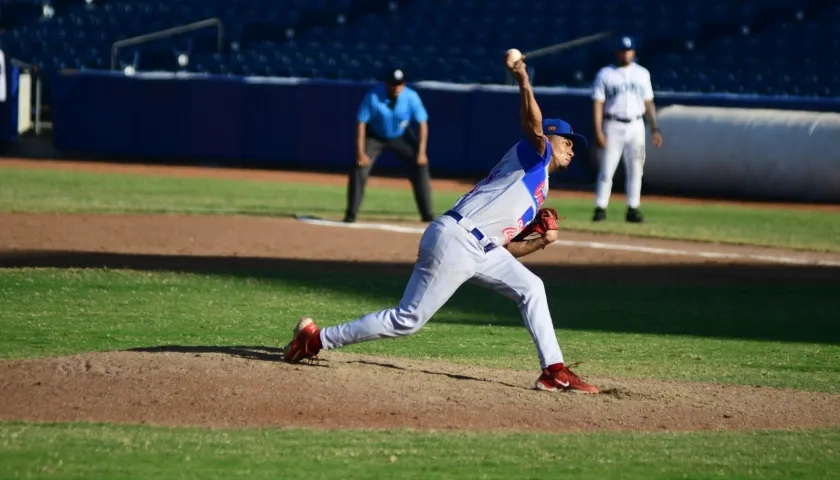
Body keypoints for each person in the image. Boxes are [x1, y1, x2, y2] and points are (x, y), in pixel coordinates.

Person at [285, 53, 599, 394]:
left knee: (531, 288)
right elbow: (534, 126)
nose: (571, 147)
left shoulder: (538, 188)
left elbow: (505, 249)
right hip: (456, 239)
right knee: (407, 320)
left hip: (479, 247)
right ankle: (315, 340)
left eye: (573, 144)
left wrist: (541, 242)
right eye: (566, 140)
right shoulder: (532, 156)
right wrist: (523, 80)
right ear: (548, 140)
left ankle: (553, 370)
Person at [344, 67, 435, 223]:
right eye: (393, 84)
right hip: (376, 135)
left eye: (399, 84)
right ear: (386, 84)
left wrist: (421, 152)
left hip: (401, 135)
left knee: (420, 167)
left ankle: (427, 214)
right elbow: (361, 123)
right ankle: (351, 214)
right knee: (359, 167)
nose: (396, 88)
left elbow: (422, 123)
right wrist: (360, 152)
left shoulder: (411, 97)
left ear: (404, 84)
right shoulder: (373, 95)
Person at [591, 35, 663, 223]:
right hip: (612, 124)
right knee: (607, 169)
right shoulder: (605, 74)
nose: (626, 53)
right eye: (623, 50)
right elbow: (598, 104)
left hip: (636, 125)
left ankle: (633, 207)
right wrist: (598, 130)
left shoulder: (642, 73)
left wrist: (655, 128)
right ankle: (600, 207)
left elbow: (648, 102)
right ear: (617, 52)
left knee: (636, 169)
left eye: (629, 50)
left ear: (634, 52)